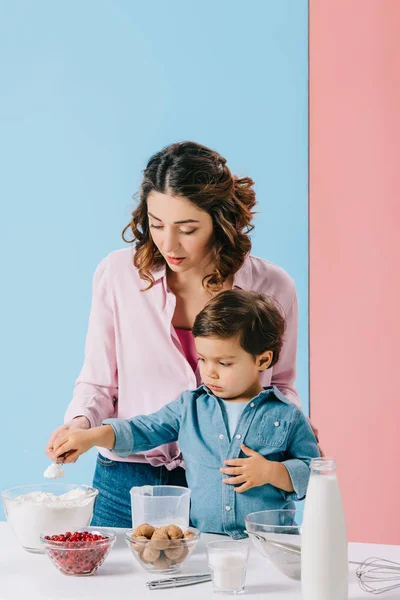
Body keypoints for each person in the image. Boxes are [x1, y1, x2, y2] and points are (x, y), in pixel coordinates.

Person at [46, 140, 317, 528]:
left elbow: (281, 386)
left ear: (219, 221)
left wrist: (282, 444)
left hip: (231, 482)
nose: (168, 244)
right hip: (128, 482)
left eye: (187, 229)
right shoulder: (118, 276)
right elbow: (99, 383)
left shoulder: (272, 286)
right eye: (157, 225)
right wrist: (80, 425)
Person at [52, 290, 320, 539]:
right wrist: (90, 437)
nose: (209, 372)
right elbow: (142, 430)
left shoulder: (287, 416)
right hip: (206, 543)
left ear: (262, 360)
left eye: (224, 363)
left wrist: (273, 472)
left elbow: (315, 474)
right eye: (203, 359)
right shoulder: (189, 407)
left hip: (272, 543)